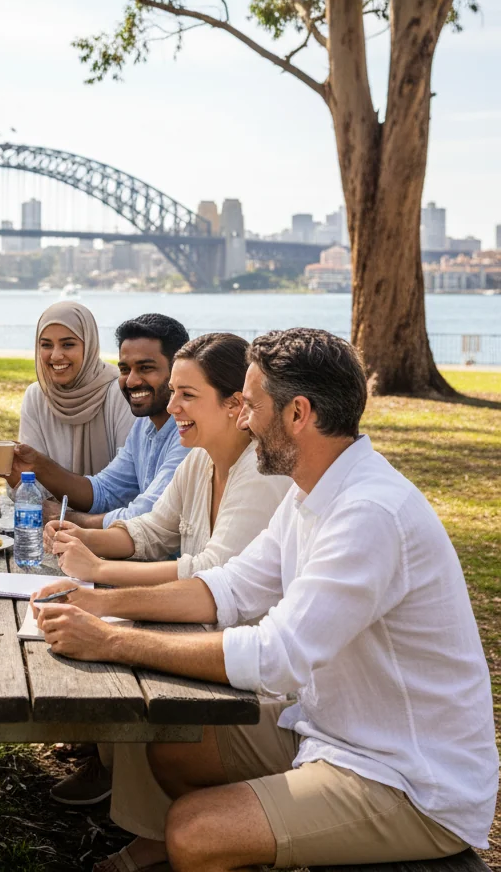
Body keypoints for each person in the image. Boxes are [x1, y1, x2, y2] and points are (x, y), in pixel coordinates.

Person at [32, 329, 498, 872]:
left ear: (298, 412)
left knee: (196, 833)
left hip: (406, 778)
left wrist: (114, 641)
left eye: (251, 406)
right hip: (326, 731)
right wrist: (99, 603)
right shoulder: (310, 490)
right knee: (173, 741)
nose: (243, 420)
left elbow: (276, 655)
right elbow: (229, 586)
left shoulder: (370, 512)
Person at [46, 333, 293, 865]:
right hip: (204, 626)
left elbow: (213, 572)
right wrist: (78, 537)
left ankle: (159, 833)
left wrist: (100, 576)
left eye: (186, 395)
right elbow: (148, 531)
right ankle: (148, 823)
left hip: (242, 652)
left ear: (234, 405)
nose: (171, 406)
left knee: (137, 678)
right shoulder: (198, 460)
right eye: (173, 392)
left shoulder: (262, 473)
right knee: (123, 671)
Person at [1, 313, 191, 526]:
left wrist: (64, 518)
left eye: (146, 368)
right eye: (125, 369)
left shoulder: (189, 433)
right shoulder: (144, 425)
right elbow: (104, 490)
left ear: (179, 371)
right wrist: (36, 464)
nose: (132, 381)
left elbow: (151, 514)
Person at [0, 302, 136, 492]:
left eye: (68, 344)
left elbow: (127, 483)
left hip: (112, 517)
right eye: (46, 345)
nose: (56, 355)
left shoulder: (119, 391)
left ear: (90, 345)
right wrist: (14, 473)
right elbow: (33, 488)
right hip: (55, 518)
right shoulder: (37, 396)